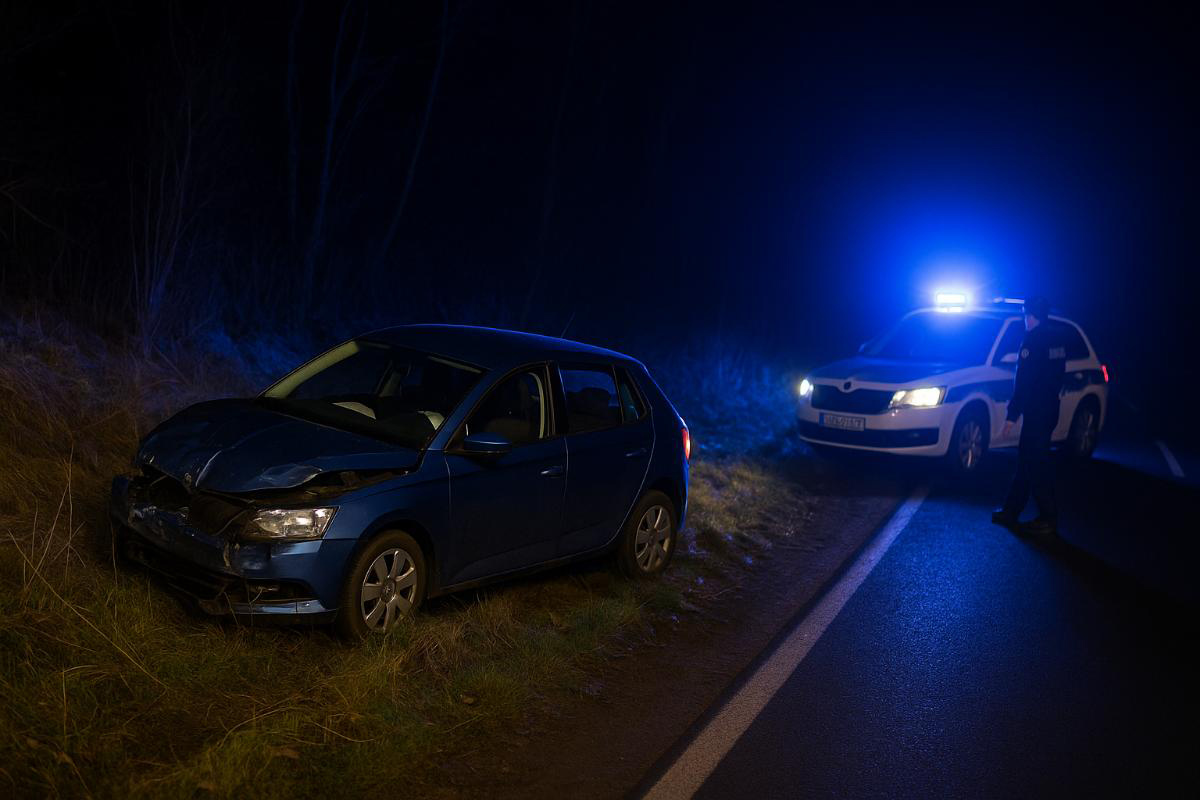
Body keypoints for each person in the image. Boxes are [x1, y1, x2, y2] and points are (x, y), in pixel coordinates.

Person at [992, 296, 1066, 536]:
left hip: (1036, 410)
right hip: (1050, 407)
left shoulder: (1033, 340)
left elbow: (1024, 381)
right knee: (1027, 461)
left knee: (1036, 464)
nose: (1025, 319)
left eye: (1026, 315)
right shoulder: (1056, 338)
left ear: (1032, 315)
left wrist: (1011, 415)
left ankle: (1048, 518)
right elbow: (1058, 375)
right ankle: (1011, 511)